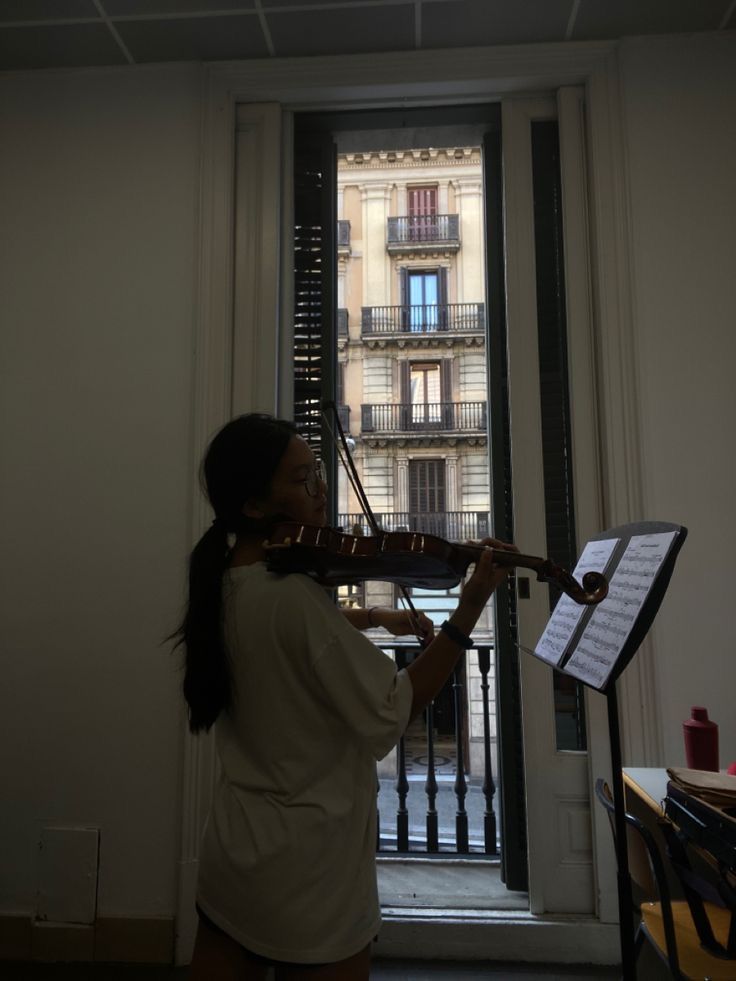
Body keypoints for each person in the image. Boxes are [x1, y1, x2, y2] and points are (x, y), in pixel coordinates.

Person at [173, 413, 513, 980]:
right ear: (256, 506)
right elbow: (394, 708)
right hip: (310, 867)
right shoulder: (295, 600)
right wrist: (468, 609)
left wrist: (375, 614)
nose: (322, 491)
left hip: (236, 852)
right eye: (303, 480)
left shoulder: (226, 579)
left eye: (319, 473)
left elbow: (287, 637)